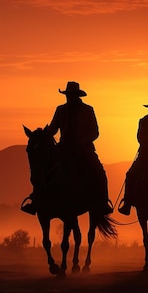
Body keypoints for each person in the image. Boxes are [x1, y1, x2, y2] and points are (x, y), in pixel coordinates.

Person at [47, 81, 113, 215]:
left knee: (99, 172)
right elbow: (53, 128)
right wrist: (43, 134)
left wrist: (82, 141)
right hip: (64, 149)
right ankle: (37, 200)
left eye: (71, 95)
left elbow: (94, 132)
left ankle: (103, 201)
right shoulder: (60, 110)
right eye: (68, 95)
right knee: (45, 170)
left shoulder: (88, 110)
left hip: (84, 150)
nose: (69, 97)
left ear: (77, 95)